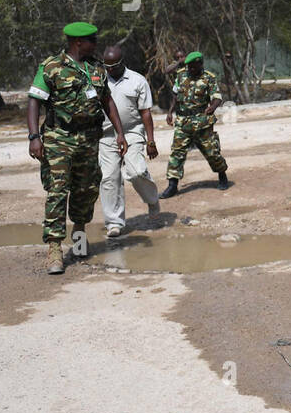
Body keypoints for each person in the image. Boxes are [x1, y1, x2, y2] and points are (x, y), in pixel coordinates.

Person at [26, 22, 127, 274]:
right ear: (78, 42)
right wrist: (34, 137)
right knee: (58, 191)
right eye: (93, 40)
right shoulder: (51, 67)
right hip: (59, 138)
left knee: (86, 189)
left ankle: (80, 236)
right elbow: (34, 101)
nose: (96, 44)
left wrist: (120, 132)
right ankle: (54, 250)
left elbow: (107, 100)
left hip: (89, 139)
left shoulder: (96, 68)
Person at [97, 45, 160, 238]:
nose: (110, 70)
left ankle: (152, 200)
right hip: (106, 135)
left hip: (132, 131)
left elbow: (145, 112)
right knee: (109, 178)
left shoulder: (137, 80)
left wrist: (150, 141)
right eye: (106, 66)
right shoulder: (98, 80)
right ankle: (114, 222)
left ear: (122, 62)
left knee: (136, 171)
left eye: (114, 66)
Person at [159, 51, 229, 198]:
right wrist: (170, 112)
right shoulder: (181, 74)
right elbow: (176, 95)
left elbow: (217, 97)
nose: (190, 70)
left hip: (202, 121)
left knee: (211, 152)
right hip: (183, 122)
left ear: (200, 64)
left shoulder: (209, 77)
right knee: (177, 152)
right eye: (188, 67)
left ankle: (222, 175)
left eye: (193, 67)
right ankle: (172, 185)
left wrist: (213, 107)